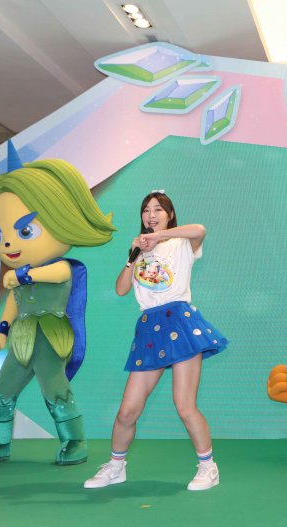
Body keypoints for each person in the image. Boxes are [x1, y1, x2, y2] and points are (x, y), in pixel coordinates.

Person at [0, 144, 115, 465]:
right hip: (22, 337)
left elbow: (55, 274)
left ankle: (75, 440)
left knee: (54, 386)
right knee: (3, 389)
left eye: (24, 230)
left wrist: (21, 276)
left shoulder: (64, 268)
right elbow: (14, 303)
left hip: (50, 334)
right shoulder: (17, 277)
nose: (8, 243)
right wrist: (1, 329)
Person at [84, 191, 227, 491]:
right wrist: (133, 254)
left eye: (158, 209)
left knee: (185, 405)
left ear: (170, 215)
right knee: (127, 410)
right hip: (149, 328)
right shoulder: (139, 250)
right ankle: (116, 467)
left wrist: (160, 236)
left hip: (180, 323)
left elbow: (199, 229)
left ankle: (208, 468)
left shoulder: (181, 243)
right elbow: (121, 289)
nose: (151, 215)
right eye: (146, 210)